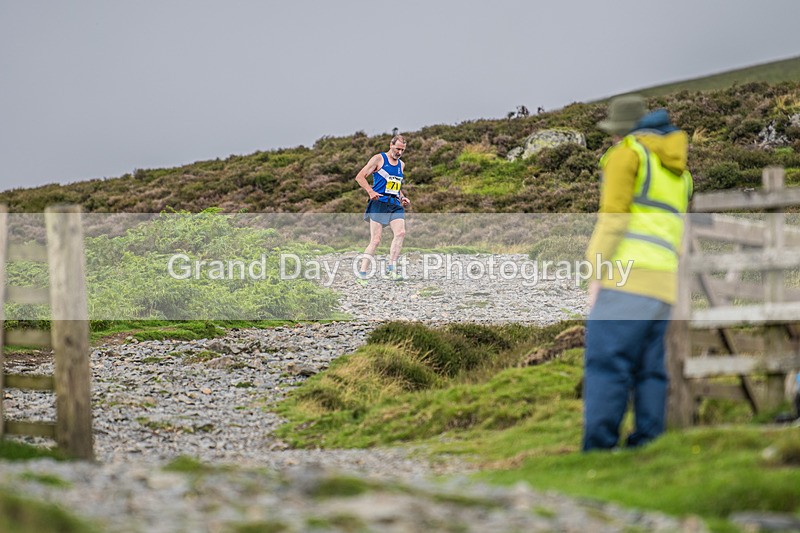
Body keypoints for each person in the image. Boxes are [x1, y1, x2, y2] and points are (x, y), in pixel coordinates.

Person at [582, 94, 693, 451]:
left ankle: (598, 449)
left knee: (606, 363)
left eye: (614, 132)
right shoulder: (678, 171)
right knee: (650, 369)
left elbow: (613, 220)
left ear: (624, 130)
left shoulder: (628, 155)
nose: (613, 139)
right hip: (665, 283)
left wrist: (595, 274)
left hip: (627, 278)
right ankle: (648, 445)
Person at [354, 134, 411, 282]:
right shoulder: (378, 159)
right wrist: (370, 191)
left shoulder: (401, 165)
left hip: (394, 204)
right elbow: (360, 176)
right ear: (391, 146)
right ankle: (362, 273)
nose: (399, 152)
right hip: (379, 203)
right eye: (397, 149)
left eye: (402, 150)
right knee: (376, 240)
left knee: (401, 233)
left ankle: (391, 268)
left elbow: (395, 186)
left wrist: (402, 197)